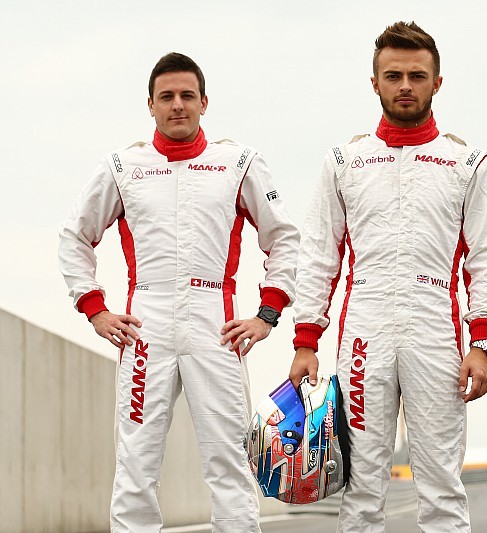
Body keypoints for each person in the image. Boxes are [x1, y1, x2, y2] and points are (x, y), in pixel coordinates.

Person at [58, 52, 299, 533]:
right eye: (166, 97)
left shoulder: (239, 162)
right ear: (150, 105)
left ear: (204, 102)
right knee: (136, 463)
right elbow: (74, 236)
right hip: (144, 325)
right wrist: (96, 310)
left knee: (230, 461)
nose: (177, 105)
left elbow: (284, 237)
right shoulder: (123, 166)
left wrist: (267, 314)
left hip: (218, 326)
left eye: (187, 95)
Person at [288, 21, 487, 532]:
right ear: (375, 83)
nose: (405, 85)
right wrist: (306, 340)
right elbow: (320, 254)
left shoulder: (468, 162)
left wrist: (483, 343)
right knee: (362, 488)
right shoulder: (345, 160)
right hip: (364, 331)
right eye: (393, 75)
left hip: (438, 334)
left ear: (437, 82)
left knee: (442, 488)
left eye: (416, 75)